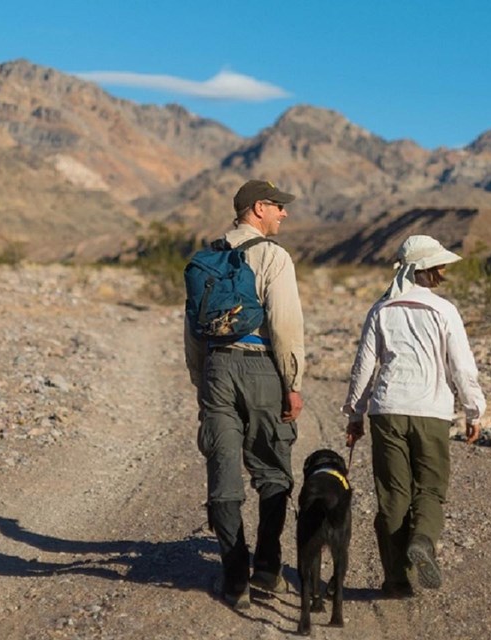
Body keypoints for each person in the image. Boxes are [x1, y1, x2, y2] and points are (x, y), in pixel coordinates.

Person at [342, 234, 486, 598]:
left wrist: (355, 414)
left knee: (392, 495)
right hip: (432, 413)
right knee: (431, 489)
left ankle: (395, 581)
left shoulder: (380, 310)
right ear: (428, 270)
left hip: (387, 411)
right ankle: (423, 539)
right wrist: (474, 411)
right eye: (439, 266)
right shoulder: (445, 311)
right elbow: (462, 368)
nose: (442, 272)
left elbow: (363, 368)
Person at [184, 179, 305, 610]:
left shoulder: (207, 258)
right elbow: (286, 326)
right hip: (260, 366)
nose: (284, 214)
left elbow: (193, 330)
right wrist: (292, 384)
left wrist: (204, 379)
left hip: (216, 366)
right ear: (258, 209)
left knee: (223, 469)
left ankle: (233, 573)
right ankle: (268, 568)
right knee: (272, 467)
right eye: (278, 206)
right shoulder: (272, 256)